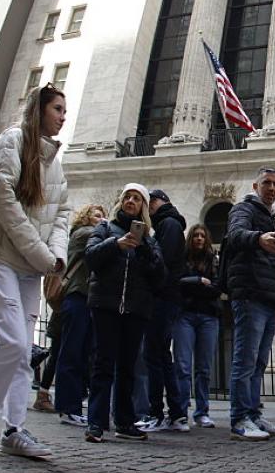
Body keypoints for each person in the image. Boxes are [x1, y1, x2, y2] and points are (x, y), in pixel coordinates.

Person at [0, 84, 70, 458]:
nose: (63, 116)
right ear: (40, 110)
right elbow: (2, 201)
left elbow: (62, 214)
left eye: (64, 110)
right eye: (57, 108)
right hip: (0, 255)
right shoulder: (12, 141)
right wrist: (41, 254)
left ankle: (13, 430)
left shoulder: (55, 161)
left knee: (24, 352)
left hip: (31, 265)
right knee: (14, 339)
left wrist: (55, 256)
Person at [84, 184, 166, 443]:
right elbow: (90, 257)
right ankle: (96, 422)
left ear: (143, 206)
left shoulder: (150, 240)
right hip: (105, 304)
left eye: (137, 199)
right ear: (121, 202)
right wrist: (115, 245)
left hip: (135, 308)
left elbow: (160, 276)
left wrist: (141, 248)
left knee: (128, 367)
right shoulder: (105, 229)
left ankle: (124, 421)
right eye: (127, 197)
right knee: (103, 364)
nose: (131, 201)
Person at [223, 167, 275, 441]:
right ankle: (240, 419)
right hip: (249, 293)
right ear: (255, 185)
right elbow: (234, 236)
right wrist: (257, 238)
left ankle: (254, 414)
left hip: (267, 298)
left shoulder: (272, 220)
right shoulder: (244, 210)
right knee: (245, 360)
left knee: (259, 362)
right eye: (266, 183)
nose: (271, 188)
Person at [139, 188, 189, 433]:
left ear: (162, 202)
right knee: (162, 357)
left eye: (151, 201)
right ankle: (177, 414)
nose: (147, 205)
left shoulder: (168, 224)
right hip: (166, 297)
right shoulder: (168, 225)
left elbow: (163, 263)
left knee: (154, 356)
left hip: (161, 298)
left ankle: (156, 413)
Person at [53, 203, 105, 426]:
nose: (101, 219)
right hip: (77, 296)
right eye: (96, 215)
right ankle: (68, 406)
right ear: (86, 217)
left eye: (103, 216)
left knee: (82, 352)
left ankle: (74, 403)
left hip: (87, 298)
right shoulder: (82, 233)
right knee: (72, 352)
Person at [174, 224, 222, 428]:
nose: (199, 238)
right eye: (196, 235)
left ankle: (202, 412)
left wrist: (192, 286)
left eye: (203, 235)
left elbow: (217, 288)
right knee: (183, 366)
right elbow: (177, 284)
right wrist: (198, 281)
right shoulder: (181, 260)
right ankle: (181, 411)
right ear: (190, 238)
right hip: (184, 316)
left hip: (208, 317)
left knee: (203, 368)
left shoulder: (214, 261)